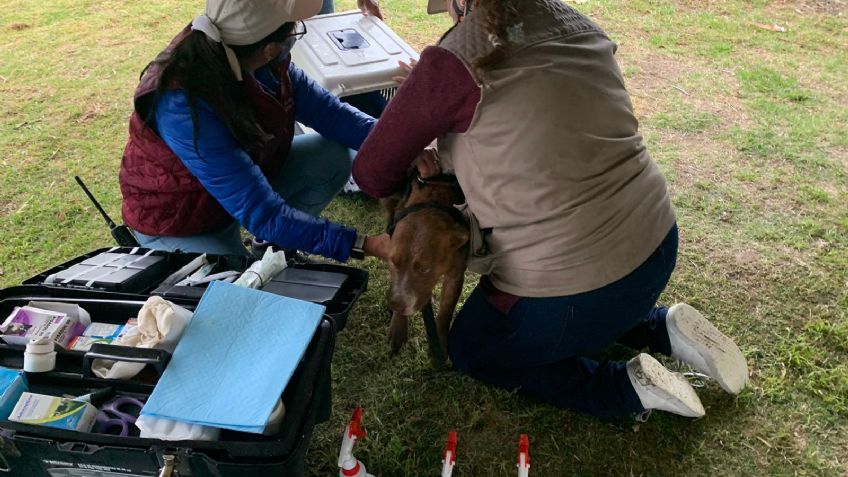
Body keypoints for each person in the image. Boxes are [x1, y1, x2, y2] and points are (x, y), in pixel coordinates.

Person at [352, 0, 749, 418]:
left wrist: (423, 107)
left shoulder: (453, 62)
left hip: (572, 289)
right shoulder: (576, 22)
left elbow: (372, 173)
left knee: (473, 349)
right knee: (595, 289)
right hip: (657, 244)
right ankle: (663, 327)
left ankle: (623, 387)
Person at [119, 0, 391, 262]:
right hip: (180, 217)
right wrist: (364, 244)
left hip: (235, 191)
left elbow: (332, 114)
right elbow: (262, 212)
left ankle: (276, 247)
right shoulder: (183, 104)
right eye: (294, 28)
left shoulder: (255, 59)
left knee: (331, 157)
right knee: (240, 288)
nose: (296, 34)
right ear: (270, 48)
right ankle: (242, 254)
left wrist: (402, 146)